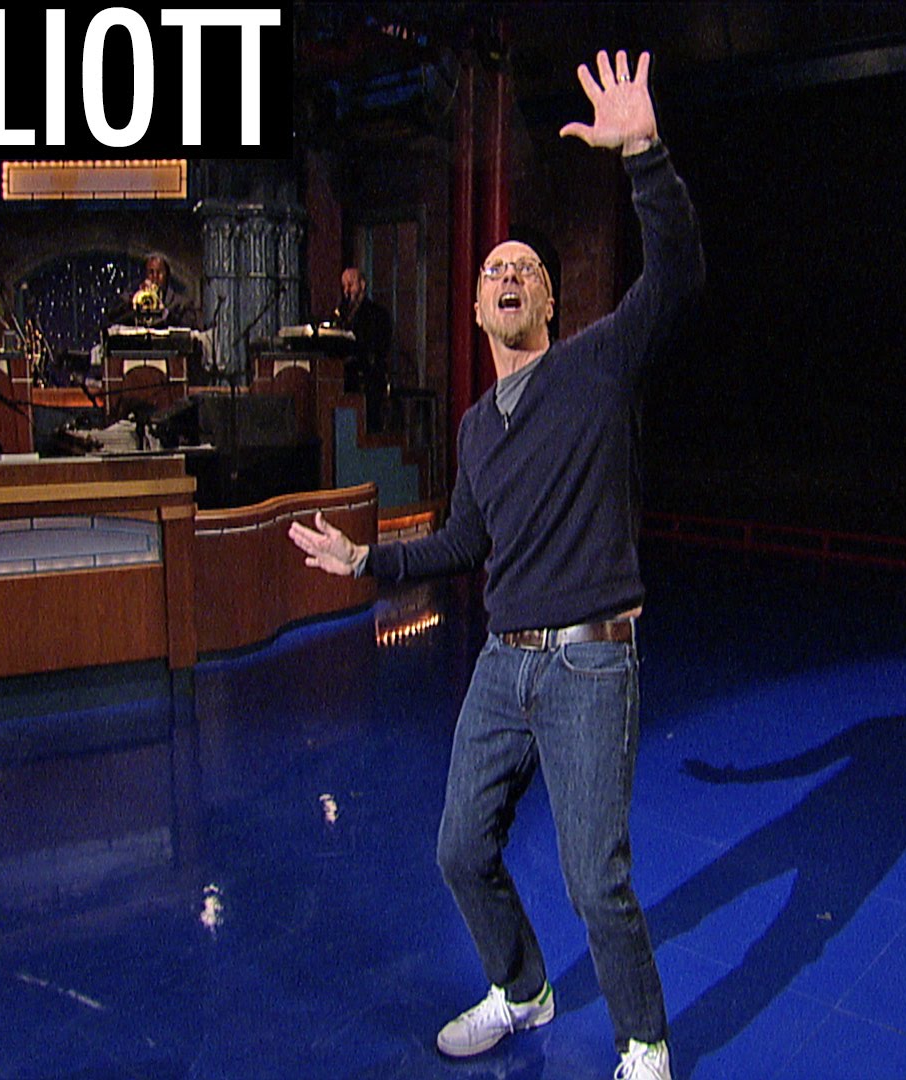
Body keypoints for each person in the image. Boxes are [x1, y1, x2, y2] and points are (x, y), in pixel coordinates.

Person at [288, 50, 701, 1080]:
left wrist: (644, 153)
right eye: (491, 273)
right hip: (503, 664)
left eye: (524, 270)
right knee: (458, 850)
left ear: (551, 303)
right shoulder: (476, 428)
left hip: (591, 661)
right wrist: (367, 560)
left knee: (595, 880)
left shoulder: (597, 365)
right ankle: (522, 990)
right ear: (475, 311)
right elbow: (463, 545)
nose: (507, 277)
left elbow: (677, 276)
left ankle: (644, 1045)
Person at [334, 266, 393, 431]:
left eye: (350, 285)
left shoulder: (377, 314)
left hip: (368, 377)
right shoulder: (342, 314)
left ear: (362, 285)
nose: (347, 291)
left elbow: (377, 347)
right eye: (344, 286)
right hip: (344, 376)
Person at [119, 253, 200, 329]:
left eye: (159, 272)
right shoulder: (133, 298)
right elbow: (116, 319)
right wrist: (132, 303)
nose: (155, 277)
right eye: (151, 272)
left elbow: (192, 326)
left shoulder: (182, 303)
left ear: (167, 275)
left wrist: (166, 314)